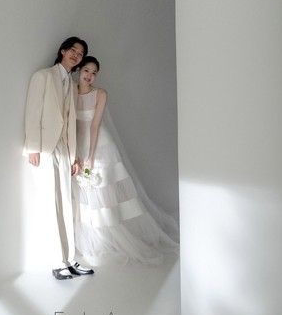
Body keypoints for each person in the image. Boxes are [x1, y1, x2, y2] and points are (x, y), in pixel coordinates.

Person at [72, 56, 179, 266]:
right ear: (78, 70)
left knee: (106, 192)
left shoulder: (100, 94)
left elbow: (94, 126)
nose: (90, 76)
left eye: (94, 73)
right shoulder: (71, 92)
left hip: (100, 147)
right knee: (88, 195)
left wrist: (91, 156)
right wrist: (76, 153)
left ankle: (116, 239)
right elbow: (72, 125)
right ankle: (99, 240)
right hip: (80, 147)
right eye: (86, 70)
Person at [23, 37, 95, 280]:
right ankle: (57, 262)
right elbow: (32, 113)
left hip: (64, 150)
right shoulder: (42, 76)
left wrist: (74, 157)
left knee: (66, 204)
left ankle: (70, 259)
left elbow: (70, 123)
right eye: (73, 50)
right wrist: (33, 147)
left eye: (80, 53)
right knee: (50, 205)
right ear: (63, 51)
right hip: (44, 149)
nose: (76, 55)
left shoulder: (72, 85)